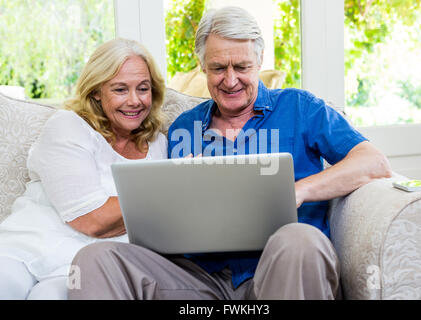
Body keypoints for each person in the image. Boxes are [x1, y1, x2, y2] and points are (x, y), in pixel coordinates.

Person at [68, 7, 392, 300]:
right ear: (202, 67)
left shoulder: (300, 108)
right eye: (218, 68)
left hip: (279, 269)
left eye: (242, 66)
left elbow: (373, 161)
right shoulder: (183, 127)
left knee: (300, 239)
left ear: (259, 62)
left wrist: (299, 190)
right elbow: (164, 219)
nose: (231, 80)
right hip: (198, 279)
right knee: (96, 259)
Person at [0, 38, 168, 299]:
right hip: (27, 250)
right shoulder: (69, 126)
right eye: (120, 89)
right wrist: (165, 188)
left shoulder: (158, 143)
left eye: (143, 88)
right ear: (96, 91)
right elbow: (91, 220)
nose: (135, 101)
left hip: (83, 267)